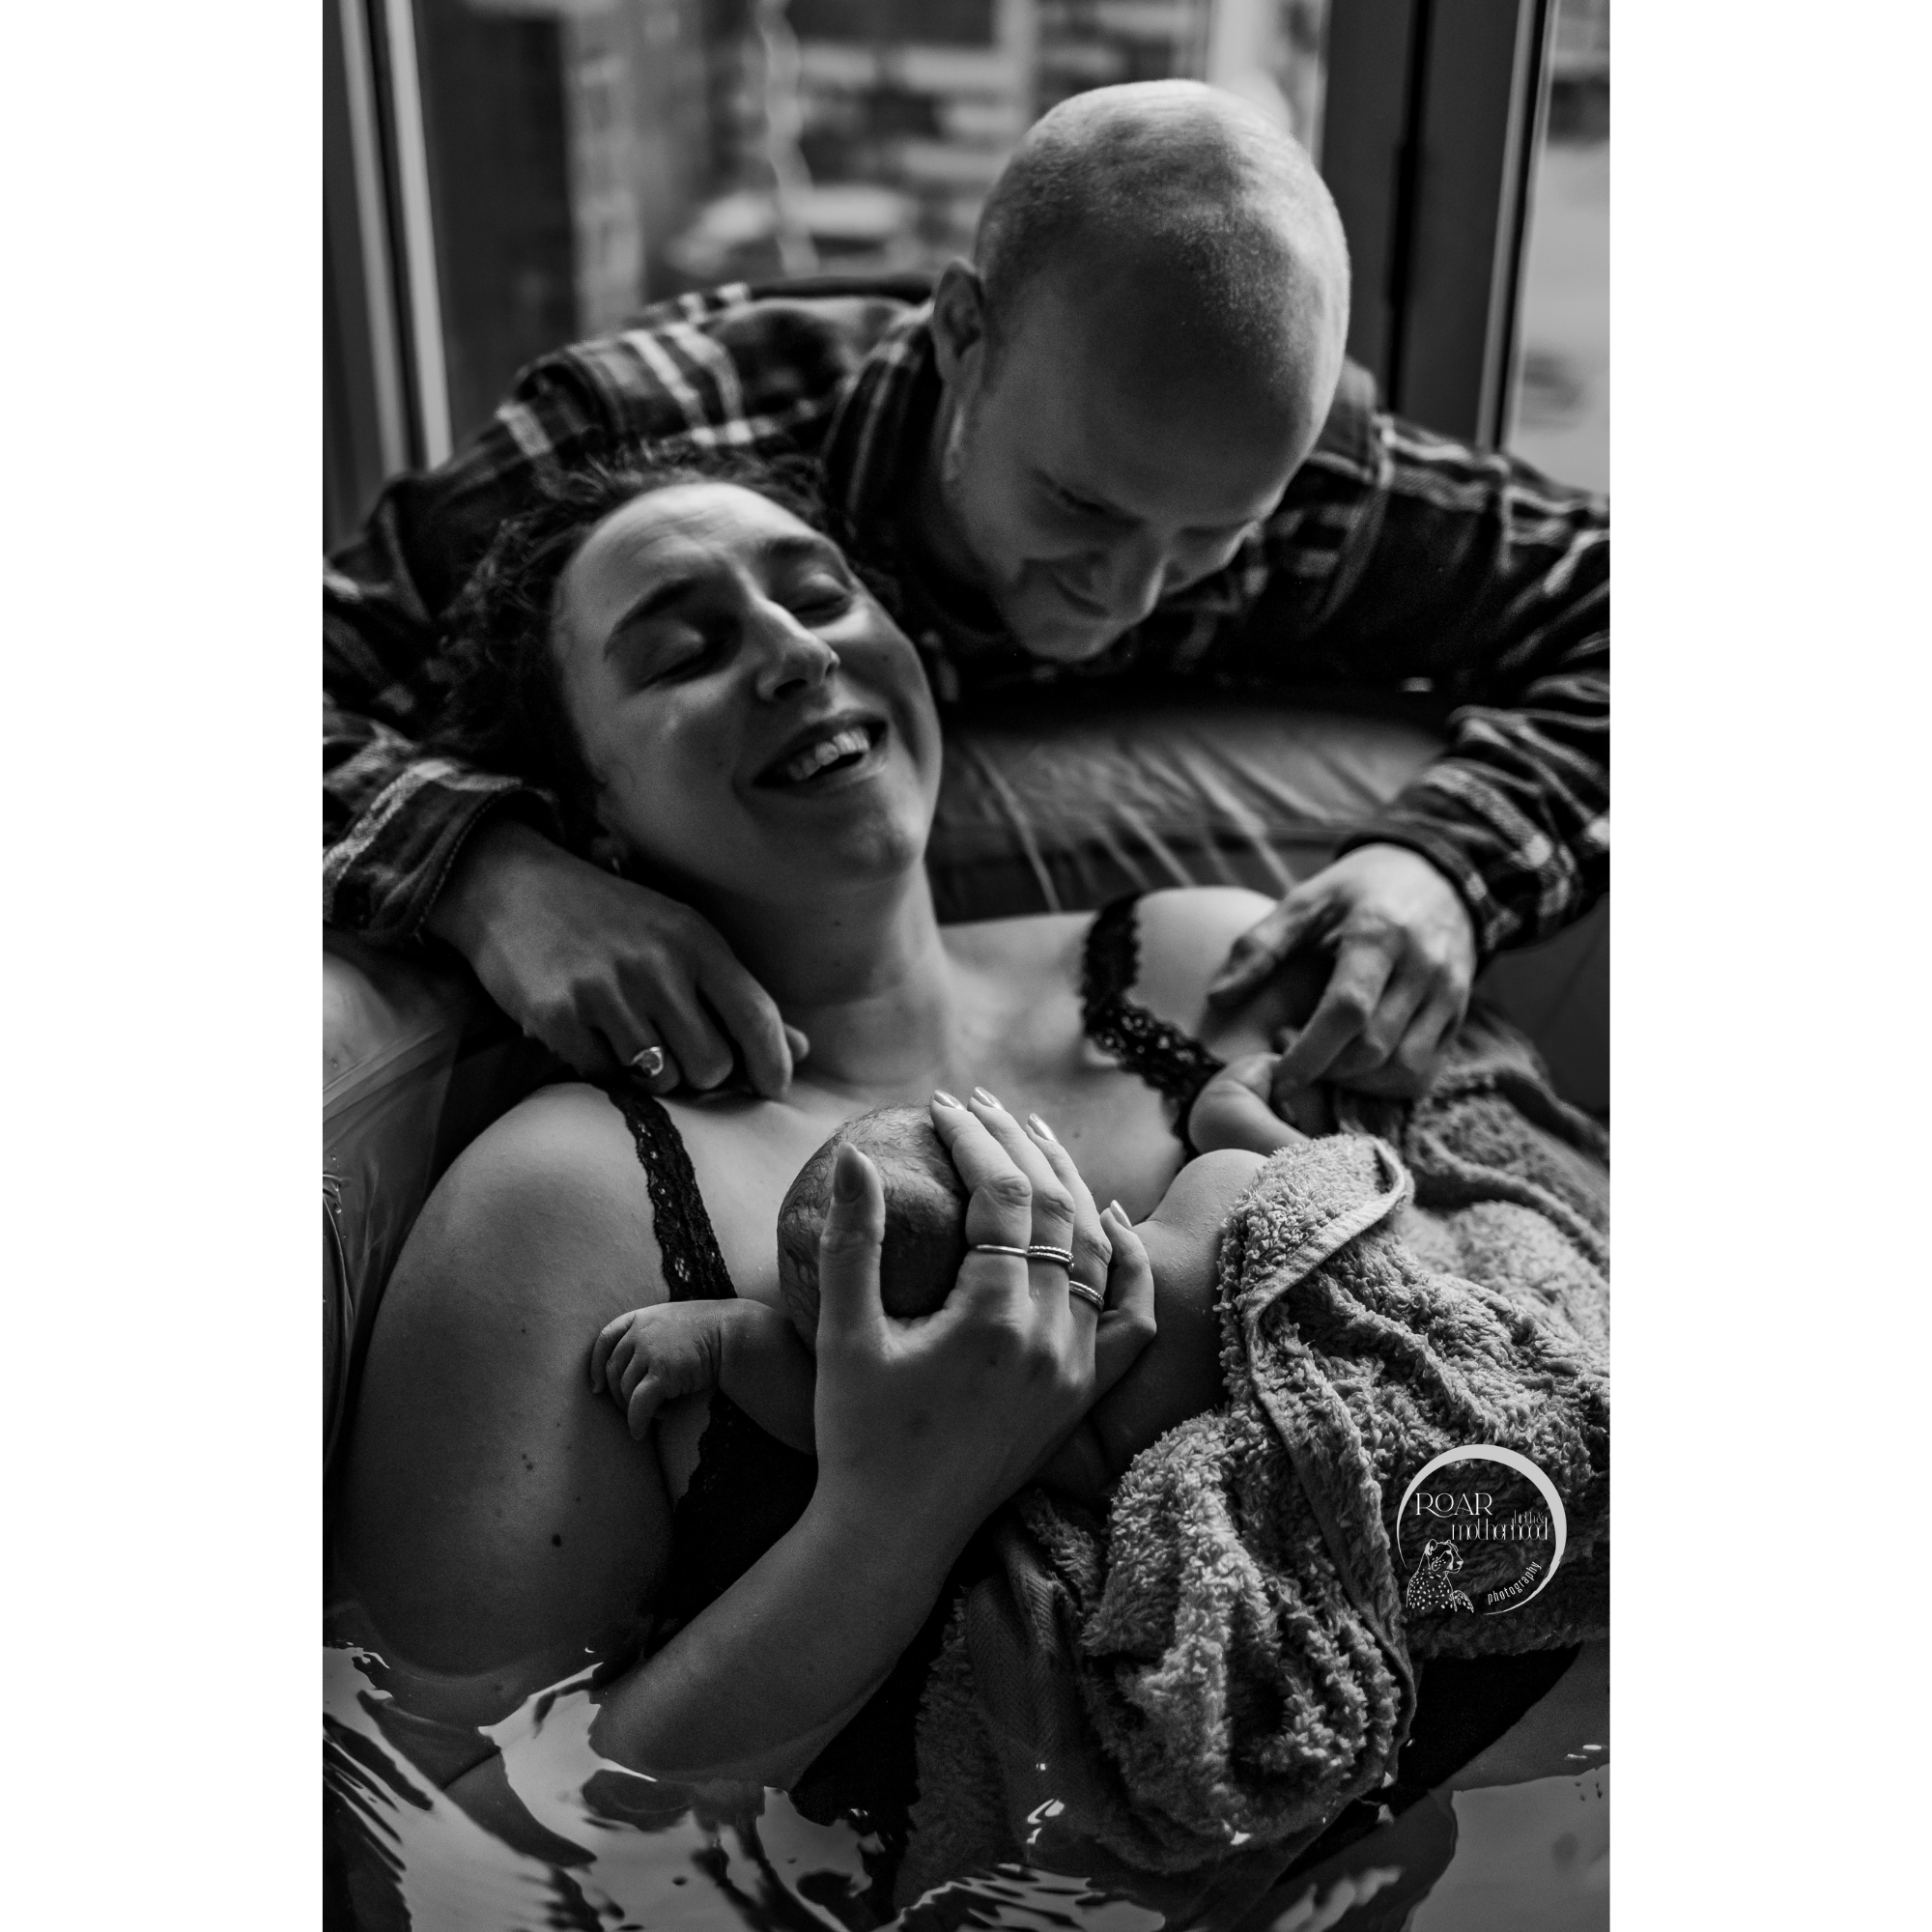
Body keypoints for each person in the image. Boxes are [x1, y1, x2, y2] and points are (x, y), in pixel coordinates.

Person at [327, 454, 1356, 1800]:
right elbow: (459, 1841)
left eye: (819, 595)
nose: (793, 653)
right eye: (684, 651)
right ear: (592, 817)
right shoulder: (564, 1205)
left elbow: (1486, 1330)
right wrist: (896, 1510)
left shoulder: (1205, 969)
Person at [322, 80, 1609, 1110]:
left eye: (1216, 534)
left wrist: (1446, 865)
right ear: (960, 336)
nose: (1131, 589)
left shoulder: (1311, 488)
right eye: (1084, 507)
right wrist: (491, 876)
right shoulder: (648, 442)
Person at [588, 1061, 1304, 1510]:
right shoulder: (1212, 1202)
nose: (816, 1357)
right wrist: (1230, 1108)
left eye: (824, 1340)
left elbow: (841, 1424)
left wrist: (725, 1340)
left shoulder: (1041, 1429)